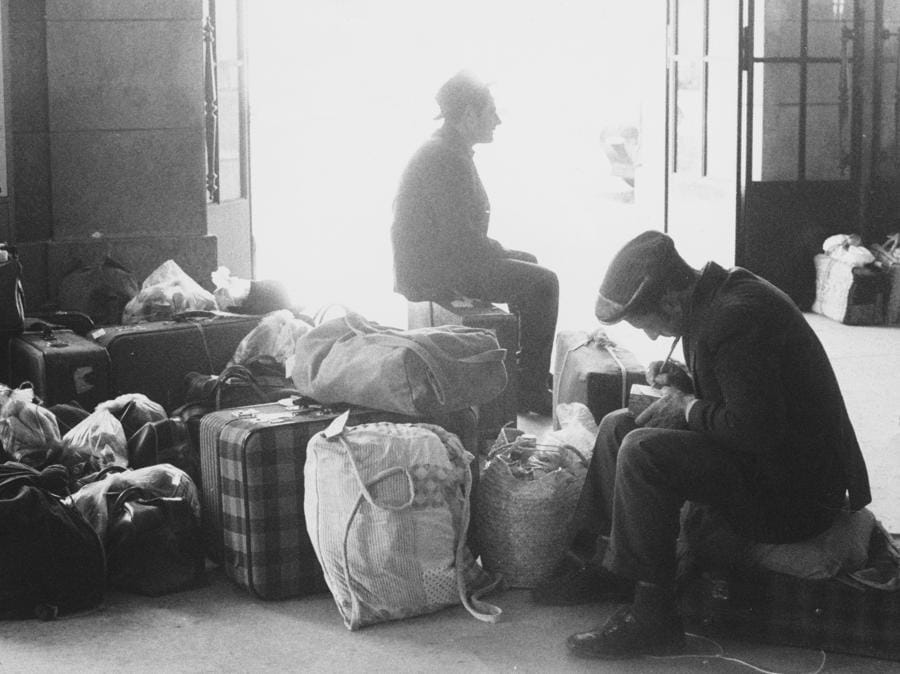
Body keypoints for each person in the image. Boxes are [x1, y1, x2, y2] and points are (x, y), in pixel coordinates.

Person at [534, 230, 870, 659]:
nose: (652, 336)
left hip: (793, 496)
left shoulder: (735, 317)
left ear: (671, 301)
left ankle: (654, 619)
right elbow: (745, 393)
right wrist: (684, 385)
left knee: (642, 451)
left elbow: (755, 429)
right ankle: (610, 566)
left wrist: (689, 405)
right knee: (619, 425)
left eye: (647, 324)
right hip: (769, 463)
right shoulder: (715, 295)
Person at [391, 71, 559, 416]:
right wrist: (499, 253)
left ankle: (525, 376)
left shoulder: (446, 149)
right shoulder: (445, 158)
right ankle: (529, 390)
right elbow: (461, 242)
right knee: (544, 283)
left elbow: (461, 237)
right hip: (436, 271)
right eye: (490, 112)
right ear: (468, 116)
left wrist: (502, 253)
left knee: (529, 263)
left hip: (441, 261)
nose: (497, 120)